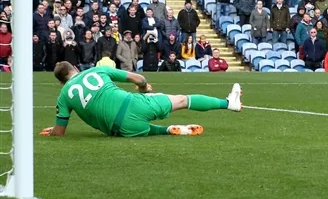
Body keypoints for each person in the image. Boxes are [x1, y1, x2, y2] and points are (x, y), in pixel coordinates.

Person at [41, 64, 242, 137]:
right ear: (76, 69)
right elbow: (139, 78)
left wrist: (54, 131)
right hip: (133, 104)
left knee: (133, 126)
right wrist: (144, 88)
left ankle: (167, 130)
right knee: (182, 100)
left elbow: (60, 133)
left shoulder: (63, 95)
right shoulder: (96, 70)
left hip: (120, 130)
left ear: (61, 83)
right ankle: (228, 103)